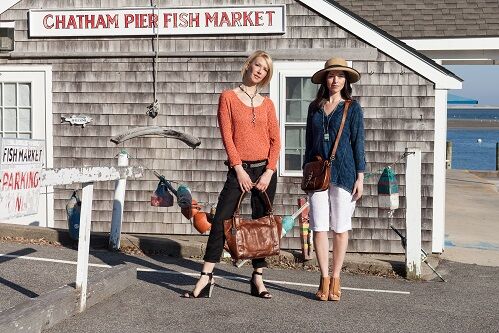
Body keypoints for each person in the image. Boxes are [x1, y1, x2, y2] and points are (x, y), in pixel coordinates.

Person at [184, 50, 280, 299]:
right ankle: (206, 276)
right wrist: (238, 169)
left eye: (265, 70)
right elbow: (227, 136)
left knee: (261, 224)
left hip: (265, 172)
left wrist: (269, 171)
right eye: (257, 65)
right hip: (239, 170)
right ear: (249, 65)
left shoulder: (268, 104)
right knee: (221, 220)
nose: (260, 71)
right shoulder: (227, 97)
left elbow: (275, 141)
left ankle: (258, 278)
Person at [304, 57, 365, 301]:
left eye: (340, 76)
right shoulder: (314, 107)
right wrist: (306, 174)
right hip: (318, 174)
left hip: (345, 173)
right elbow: (309, 143)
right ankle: (324, 278)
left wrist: (360, 177)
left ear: (346, 80)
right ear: (325, 79)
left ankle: (337, 278)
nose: (335, 80)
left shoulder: (352, 108)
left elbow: (358, 142)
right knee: (319, 227)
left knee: (340, 228)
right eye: (331, 75)